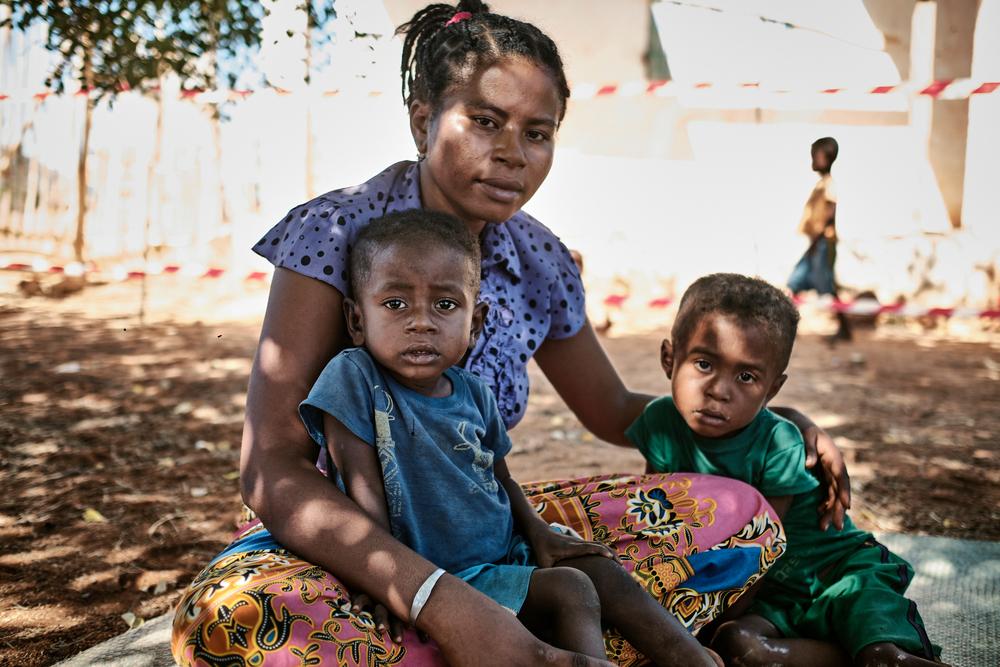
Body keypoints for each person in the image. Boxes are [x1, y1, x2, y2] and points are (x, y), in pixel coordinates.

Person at [171, 3, 851, 665]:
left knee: (743, 513)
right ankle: (500, 637)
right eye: (486, 121)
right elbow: (272, 468)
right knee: (226, 620)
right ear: (422, 120)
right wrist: (437, 598)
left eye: (536, 131)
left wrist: (767, 421)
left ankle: (512, 640)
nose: (511, 154)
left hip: (489, 542)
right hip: (352, 553)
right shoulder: (336, 235)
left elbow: (615, 411)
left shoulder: (539, 260)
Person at [301, 209, 723, 665]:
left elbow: (499, 477)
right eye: (395, 304)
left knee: (601, 572)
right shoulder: (355, 378)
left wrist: (538, 532)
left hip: (503, 553)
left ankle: (693, 659)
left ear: (475, 321)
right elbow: (358, 483)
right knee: (571, 589)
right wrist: (382, 577)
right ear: (357, 319)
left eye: (445, 305)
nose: (420, 322)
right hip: (434, 574)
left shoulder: (473, 393)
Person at [625, 273, 943, 666]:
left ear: (772, 389)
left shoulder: (778, 443)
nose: (719, 390)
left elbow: (760, 550)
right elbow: (660, 525)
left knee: (884, 653)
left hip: (834, 573)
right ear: (669, 359)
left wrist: (690, 630)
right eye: (704, 364)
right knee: (738, 645)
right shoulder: (660, 423)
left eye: (746, 376)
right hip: (774, 596)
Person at [787, 136, 852, 342]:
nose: (812, 161)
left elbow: (830, 212)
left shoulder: (829, 185)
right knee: (795, 283)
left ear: (826, 158)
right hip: (816, 243)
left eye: (815, 156)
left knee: (825, 287)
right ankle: (788, 327)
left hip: (823, 243)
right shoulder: (821, 184)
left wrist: (818, 240)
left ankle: (844, 329)